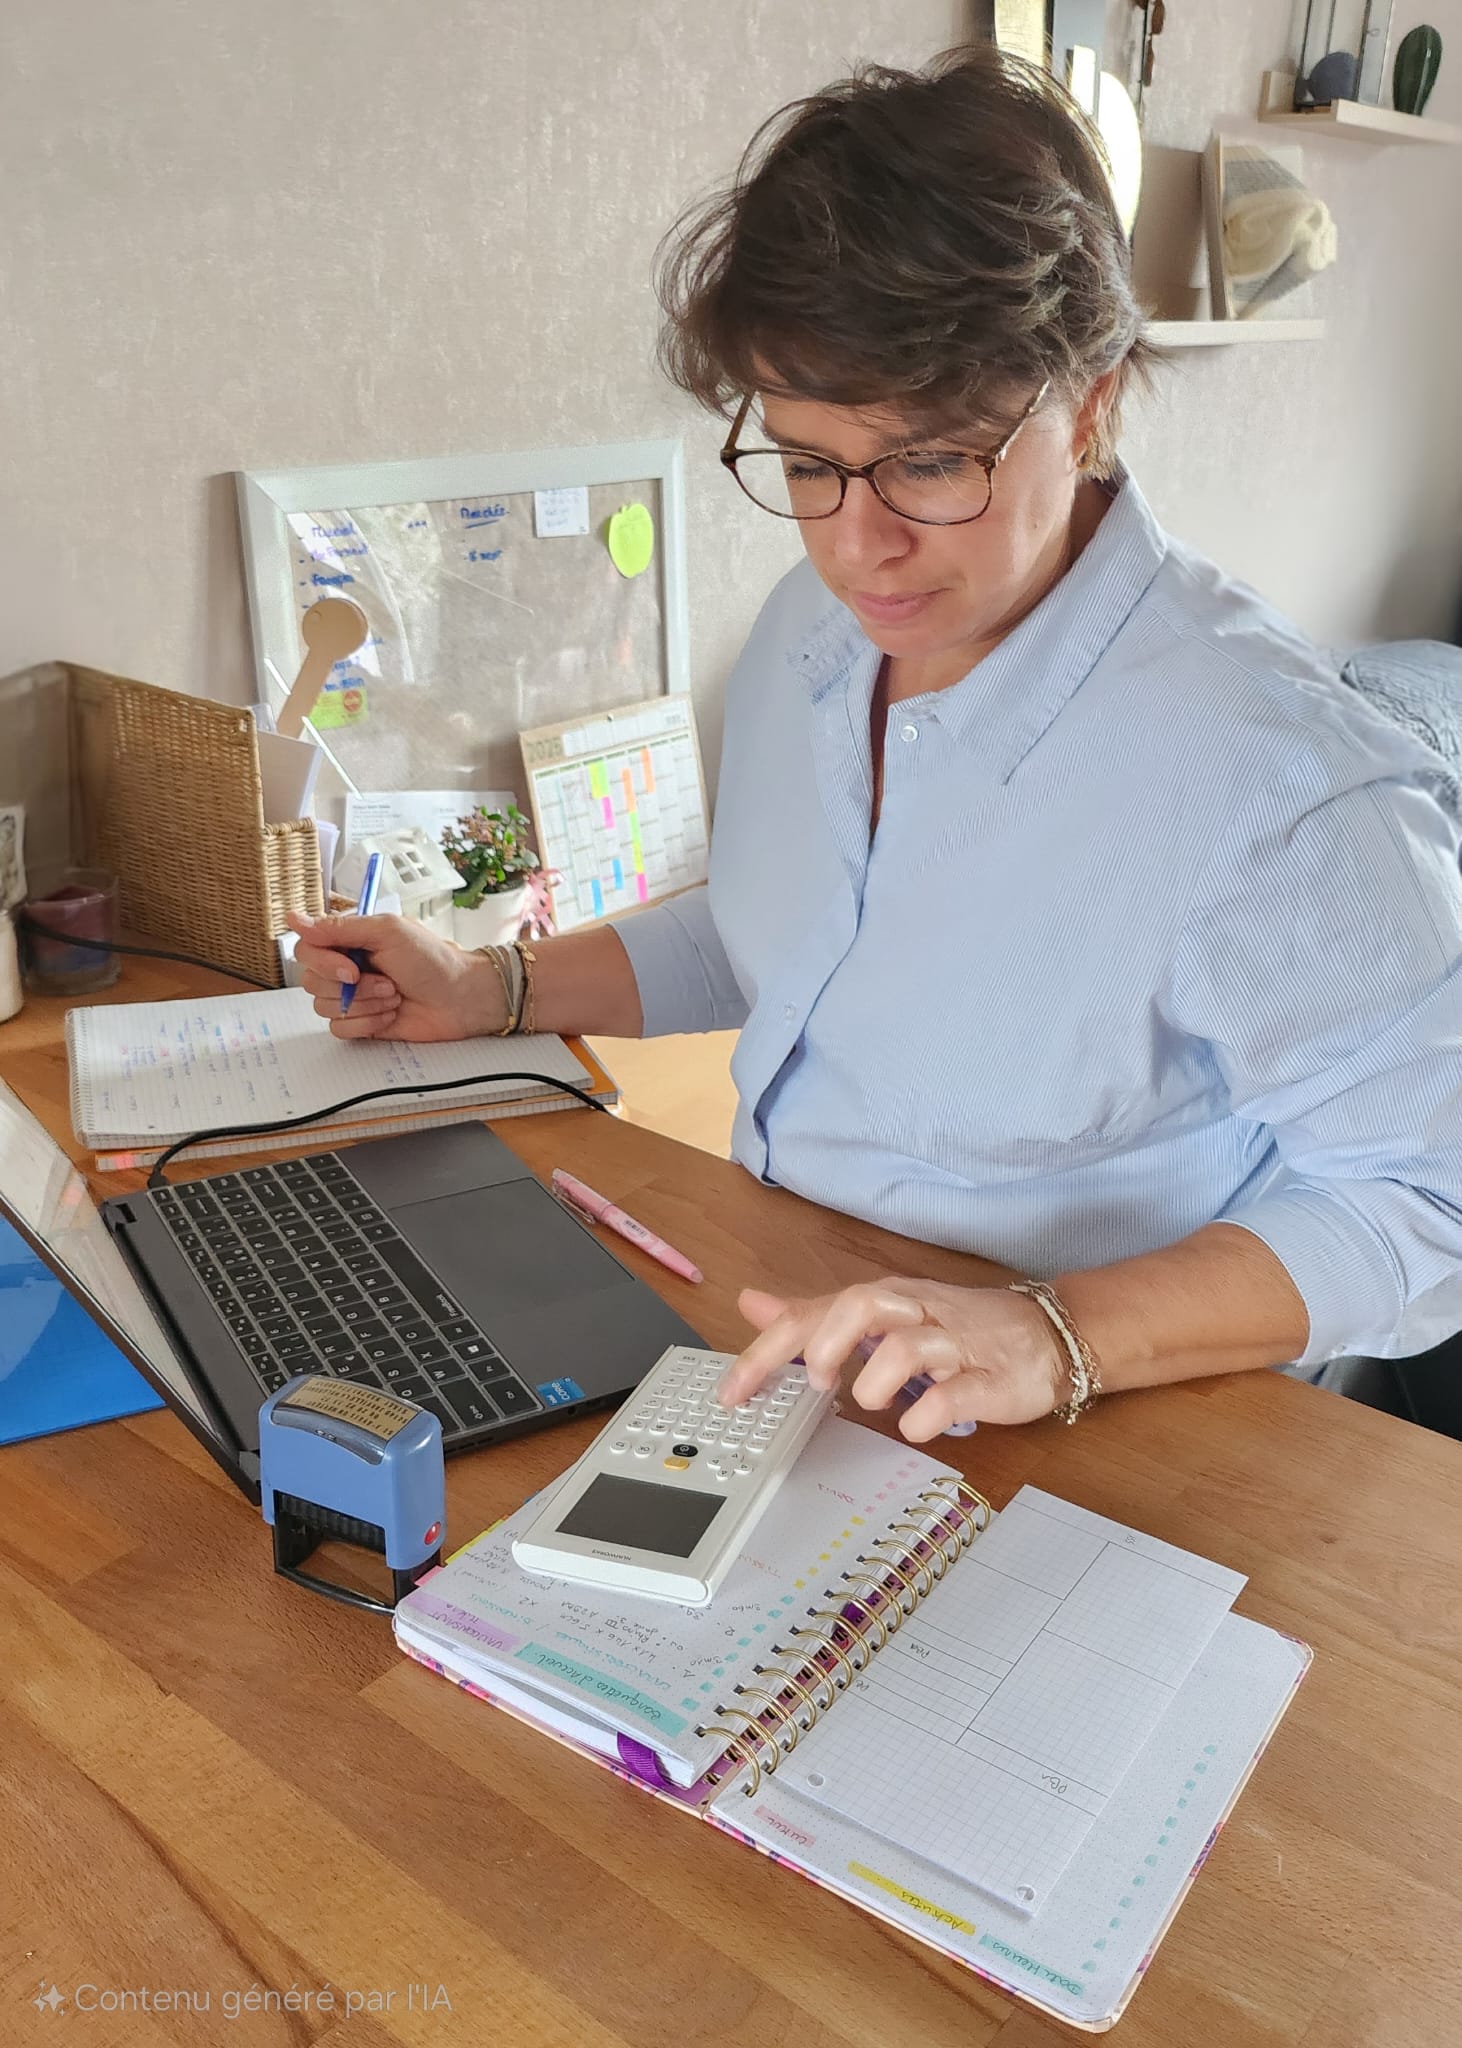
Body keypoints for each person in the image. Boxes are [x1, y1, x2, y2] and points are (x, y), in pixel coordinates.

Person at [291, 47, 1462, 1441]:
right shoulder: (817, 632)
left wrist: (1052, 1334)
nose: (858, 547)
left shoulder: (1281, 784)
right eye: (806, 463)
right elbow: (786, 942)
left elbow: (1428, 1200)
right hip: (799, 1326)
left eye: (931, 461)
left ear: (1090, 405)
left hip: (1113, 1422)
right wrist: (491, 988)